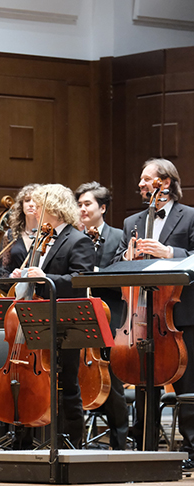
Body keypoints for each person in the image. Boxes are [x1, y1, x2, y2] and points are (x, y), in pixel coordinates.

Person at [113, 158, 194, 468]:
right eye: (141, 180)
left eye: (147, 179)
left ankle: (191, 450)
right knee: (144, 383)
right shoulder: (131, 222)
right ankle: (143, 446)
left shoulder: (190, 217)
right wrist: (128, 254)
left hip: (179, 314)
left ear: (166, 182)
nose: (141, 184)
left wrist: (169, 253)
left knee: (187, 384)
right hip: (141, 314)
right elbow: (118, 262)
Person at [10, 183, 95, 448]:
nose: (34, 210)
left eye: (39, 205)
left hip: (66, 321)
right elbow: (36, 278)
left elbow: (81, 279)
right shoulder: (40, 238)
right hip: (38, 318)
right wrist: (23, 275)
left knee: (67, 383)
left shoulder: (77, 239)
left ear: (54, 208)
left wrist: (46, 277)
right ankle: (29, 438)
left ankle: (72, 442)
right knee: (35, 380)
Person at [74, 182, 128, 450]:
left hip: (112, 317)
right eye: (79, 205)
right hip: (79, 317)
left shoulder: (119, 237)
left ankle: (119, 444)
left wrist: (95, 274)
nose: (82, 209)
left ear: (102, 208)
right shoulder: (74, 237)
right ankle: (75, 441)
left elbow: (124, 278)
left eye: (88, 204)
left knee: (114, 384)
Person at [1, 183, 39, 276]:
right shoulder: (11, 235)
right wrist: (11, 276)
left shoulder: (48, 235)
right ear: (22, 205)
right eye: (27, 200)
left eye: (35, 200)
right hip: (16, 284)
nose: (31, 204)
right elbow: (2, 270)